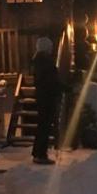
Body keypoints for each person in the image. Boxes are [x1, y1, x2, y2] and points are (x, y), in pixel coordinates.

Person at [31, 36, 62, 165]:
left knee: (42, 125)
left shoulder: (38, 61)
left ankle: (37, 152)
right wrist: (66, 88)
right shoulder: (46, 62)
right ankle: (41, 154)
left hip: (42, 96)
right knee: (44, 126)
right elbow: (51, 81)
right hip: (47, 97)